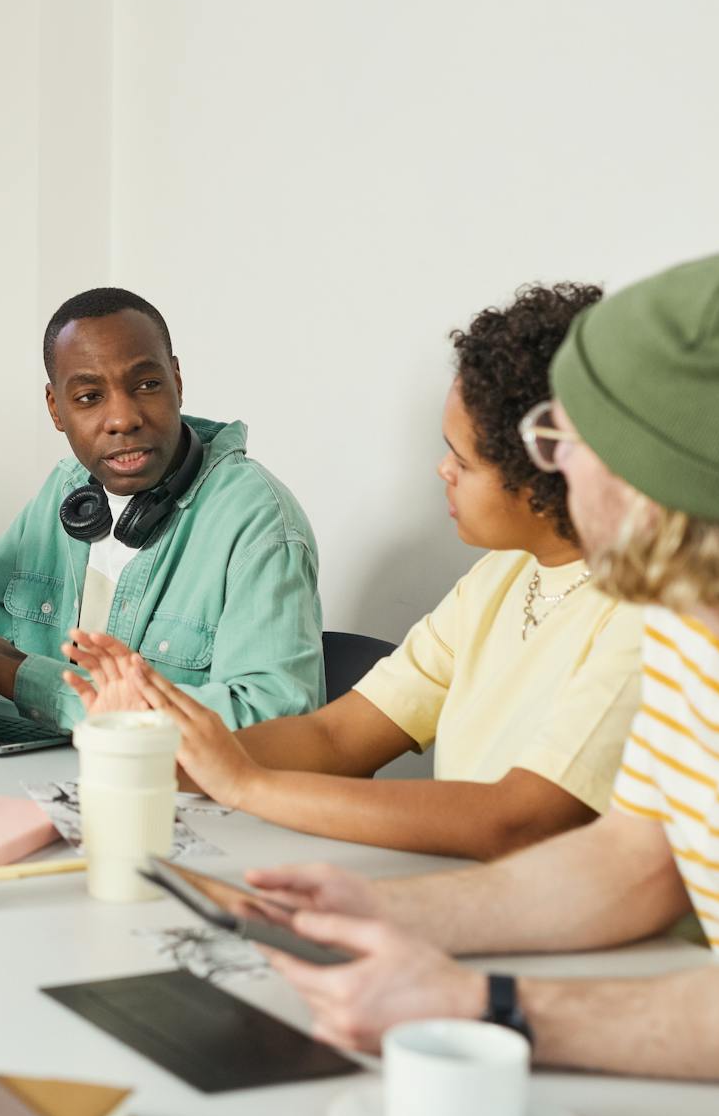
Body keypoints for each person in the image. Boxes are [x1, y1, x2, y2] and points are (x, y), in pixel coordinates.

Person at [179, 244, 719, 1077]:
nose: (555, 466)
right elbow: (633, 865)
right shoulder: (692, 624)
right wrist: (373, 910)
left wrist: (488, 1008)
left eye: (566, 438)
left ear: (677, 470)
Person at [66, 284, 643, 860]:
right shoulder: (501, 578)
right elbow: (335, 737)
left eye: (463, 460)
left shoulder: (647, 615)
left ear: (549, 471)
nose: (443, 469)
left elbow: (519, 821)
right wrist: (154, 748)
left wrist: (246, 784)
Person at [0, 286, 323, 731]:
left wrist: (34, 683)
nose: (122, 418)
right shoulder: (70, 490)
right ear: (56, 409)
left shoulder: (257, 521)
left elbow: (274, 717)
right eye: (89, 396)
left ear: (178, 381)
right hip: (45, 774)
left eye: (146, 385)